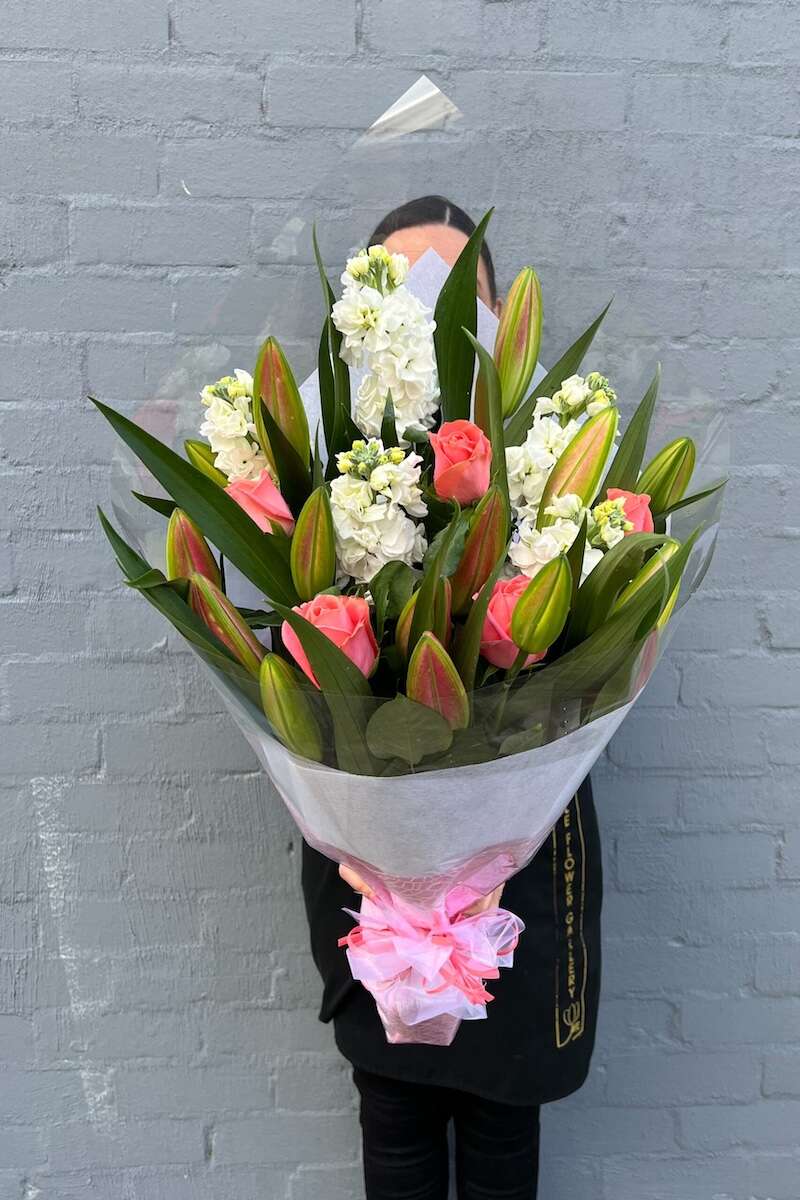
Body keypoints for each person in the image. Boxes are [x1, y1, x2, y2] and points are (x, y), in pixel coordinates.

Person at [301, 196, 602, 1200]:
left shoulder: (549, 463)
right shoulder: (327, 461)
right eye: (400, 291)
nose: (426, 322)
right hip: (368, 849)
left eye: (451, 300)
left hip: (520, 844)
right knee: (390, 1116)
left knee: (503, 1120)